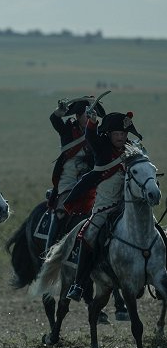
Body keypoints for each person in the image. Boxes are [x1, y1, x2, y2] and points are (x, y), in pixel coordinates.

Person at [63, 110, 142, 301]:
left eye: (123, 134)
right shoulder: (101, 147)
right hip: (104, 209)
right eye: (117, 134)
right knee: (87, 235)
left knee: (154, 231)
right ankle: (79, 284)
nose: (121, 137)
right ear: (109, 134)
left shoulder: (133, 149)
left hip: (129, 208)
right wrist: (92, 122)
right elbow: (90, 135)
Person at [46, 96, 105, 251]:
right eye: (87, 114)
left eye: (93, 114)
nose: (91, 117)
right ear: (78, 117)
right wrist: (59, 112)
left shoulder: (98, 133)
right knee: (61, 212)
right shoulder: (67, 130)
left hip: (93, 180)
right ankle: (49, 251)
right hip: (69, 178)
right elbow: (55, 120)